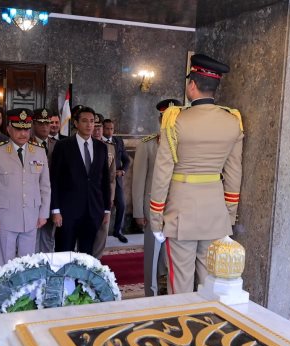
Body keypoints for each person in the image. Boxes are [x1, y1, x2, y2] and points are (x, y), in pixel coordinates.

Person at [149, 54, 244, 294]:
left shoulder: (175, 119)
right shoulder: (232, 121)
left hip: (182, 212)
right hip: (215, 213)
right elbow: (234, 172)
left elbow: (163, 171)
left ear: (192, 85)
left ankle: (179, 328)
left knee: (179, 283)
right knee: (210, 282)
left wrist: (156, 217)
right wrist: (229, 214)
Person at [0, 109, 51, 266]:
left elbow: (45, 186)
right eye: (18, 129)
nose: (23, 133)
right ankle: (4, 290)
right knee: (4, 264)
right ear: (9, 129)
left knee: (27, 263)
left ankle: (23, 290)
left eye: (26, 129)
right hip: (4, 218)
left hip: (31, 217)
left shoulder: (39, 152)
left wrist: (43, 214)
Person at [132, 99, 181, 296]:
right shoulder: (148, 145)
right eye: (165, 118)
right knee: (153, 257)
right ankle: (150, 295)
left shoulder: (183, 143)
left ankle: (170, 292)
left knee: (175, 256)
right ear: (161, 119)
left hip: (177, 208)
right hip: (152, 209)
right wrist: (138, 211)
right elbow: (138, 181)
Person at [51, 106, 111, 254]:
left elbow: (105, 181)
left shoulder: (101, 147)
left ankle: (82, 279)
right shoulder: (63, 146)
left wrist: (106, 209)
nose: (89, 125)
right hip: (67, 212)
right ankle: (64, 278)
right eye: (85, 121)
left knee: (86, 255)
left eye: (92, 121)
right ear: (76, 123)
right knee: (64, 252)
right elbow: (54, 180)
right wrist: (55, 210)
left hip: (93, 211)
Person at [32, 108, 57, 253]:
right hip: (32, 198)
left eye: (47, 123)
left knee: (48, 238)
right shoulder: (27, 144)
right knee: (32, 238)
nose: (45, 127)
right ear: (34, 125)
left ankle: (47, 270)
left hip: (51, 198)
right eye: (40, 123)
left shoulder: (58, 144)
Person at [91, 113, 117, 259]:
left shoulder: (110, 148)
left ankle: (96, 260)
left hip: (103, 196)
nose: (97, 130)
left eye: (99, 126)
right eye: (94, 126)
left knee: (102, 230)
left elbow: (112, 177)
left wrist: (111, 198)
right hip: (87, 196)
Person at [102, 118, 131, 243]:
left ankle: (117, 231)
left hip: (116, 179)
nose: (110, 131)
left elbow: (127, 160)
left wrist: (123, 171)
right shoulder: (97, 141)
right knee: (104, 205)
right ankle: (100, 233)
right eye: (107, 128)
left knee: (122, 204)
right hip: (102, 180)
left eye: (112, 128)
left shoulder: (118, 141)